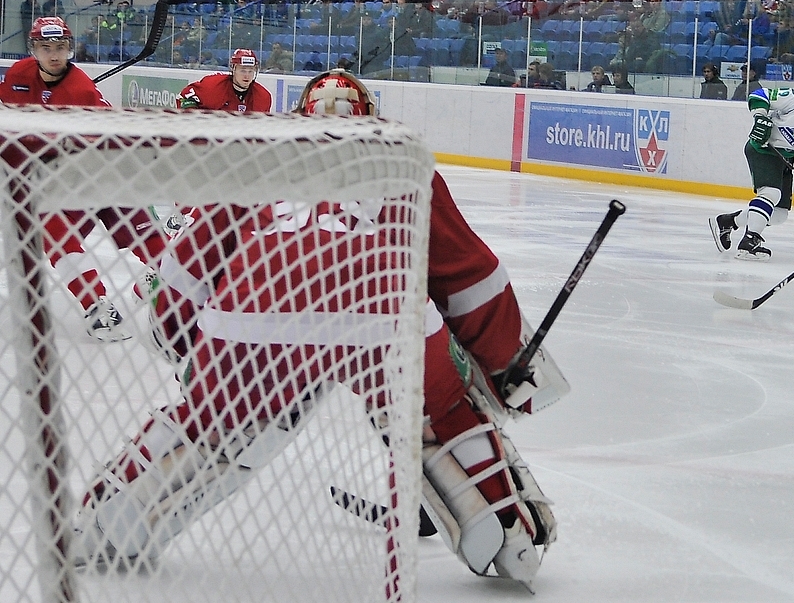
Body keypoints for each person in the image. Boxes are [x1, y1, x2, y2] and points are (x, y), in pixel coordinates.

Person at [72, 69, 561, 589]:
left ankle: (106, 514)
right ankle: (509, 530)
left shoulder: (261, 157)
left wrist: (176, 337)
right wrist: (510, 363)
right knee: (440, 413)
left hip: (255, 313)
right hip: (384, 313)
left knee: (208, 420)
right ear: (369, 114)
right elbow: (468, 273)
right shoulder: (401, 163)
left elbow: (192, 264)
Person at [0, 17, 168, 341]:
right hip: (64, 186)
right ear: (33, 49)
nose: (54, 55)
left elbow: (116, 145)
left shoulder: (82, 90)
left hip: (106, 174)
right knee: (51, 229)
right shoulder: (18, 75)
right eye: (46, 48)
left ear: (69, 49)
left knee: (150, 239)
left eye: (60, 48)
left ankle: (163, 279)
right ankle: (97, 306)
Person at [710, 74, 794, 260]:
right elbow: (760, 95)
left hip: (785, 159)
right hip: (763, 148)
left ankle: (728, 222)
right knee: (770, 194)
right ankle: (749, 242)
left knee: (779, 214)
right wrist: (760, 117)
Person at [177, 48, 272, 112]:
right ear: (233, 69)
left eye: (251, 71)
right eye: (242, 70)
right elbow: (184, 97)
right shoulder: (213, 86)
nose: (247, 76)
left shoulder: (263, 96)